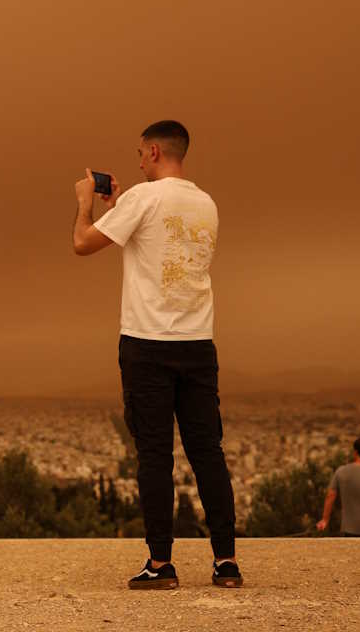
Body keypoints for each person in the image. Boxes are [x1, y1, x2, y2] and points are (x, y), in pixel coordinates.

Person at [72, 120, 241, 590]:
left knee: (153, 455)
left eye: (139, 153)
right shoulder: (206, 203)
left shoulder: (141, 200)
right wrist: (120, 207)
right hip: (199, 341)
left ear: (151, 152)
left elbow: (82, 244)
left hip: (148, 341)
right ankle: (226, 561)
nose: (137, 160)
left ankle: (161, 564)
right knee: (208, 452)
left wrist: (87, 204)